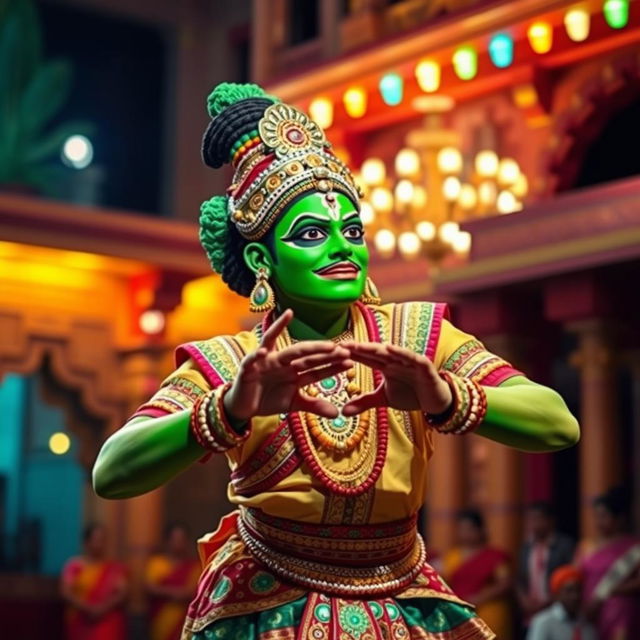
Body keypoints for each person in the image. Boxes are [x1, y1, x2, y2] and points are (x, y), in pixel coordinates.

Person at [92, 82, 580, 640]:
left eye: (351, 231)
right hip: (267, 604)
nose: (342, 247)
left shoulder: (414, 338)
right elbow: (112, 472)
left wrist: (446, 397)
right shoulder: (234, 363)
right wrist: (224, 410)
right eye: (311, 234)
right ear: (261, 258)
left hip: (401, 594)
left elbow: (558, 424)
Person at [577, 487, 640, 640]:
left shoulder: (634, 547)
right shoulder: (587, 546)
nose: (599, 521)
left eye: (604, 516)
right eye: (596, 516)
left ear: (619, 518)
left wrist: (614, 590)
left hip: (620, 610)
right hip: (590, 611)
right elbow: (575, 575)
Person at [443, 510, 514, 639]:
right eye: (462, 529)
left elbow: (505, 583)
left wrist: (478, 598)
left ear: (481, 530)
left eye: (470, 529)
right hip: (460, 614)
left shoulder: (495, 556)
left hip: (489, 611)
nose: (465, 533)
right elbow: (444, 584)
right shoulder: (452, 557)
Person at [60, 523, 128, 640]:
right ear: (86, 542)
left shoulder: (113, 568)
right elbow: (66, 592)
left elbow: (122, 593)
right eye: (96, 540)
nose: (100, 545)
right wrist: (88, 609)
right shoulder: (74, 565)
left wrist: (102, 609)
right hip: (81, 618)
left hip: (106, 620)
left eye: (103, 540)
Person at [517, 502, 575, 624]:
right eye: (531, 520)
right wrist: (524, 601)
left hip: (556, 610)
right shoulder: (526, 547)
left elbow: (569, 577)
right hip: (530, 613)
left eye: (538, 519)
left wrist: (549, 601)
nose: (533, 524)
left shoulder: (564, 546)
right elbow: (520, 579)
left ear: (550, 520)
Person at [146, 523, 201, 640]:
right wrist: (175, 593)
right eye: (175, 539)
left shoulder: (194, 566)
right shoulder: (156, 563)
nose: (178, 543)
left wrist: (170, 592)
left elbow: (194, 591)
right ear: (167, 541)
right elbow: (150, 588)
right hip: (160, 618)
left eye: (182, 540)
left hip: (185, 619)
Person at [526, 565, 597, 640]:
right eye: (569, 591)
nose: (575, 596)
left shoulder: (588, 627)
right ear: (557, 595)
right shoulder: (543, 623)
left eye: (578, 590)